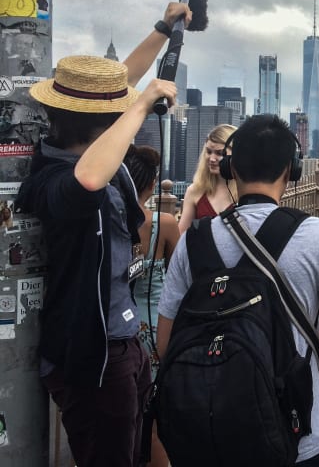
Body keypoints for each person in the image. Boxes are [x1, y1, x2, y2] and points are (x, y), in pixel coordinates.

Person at [16, 2, 189, 467]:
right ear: (103, 121)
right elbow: (88, 181)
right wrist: (141, 104)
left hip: (123, 338)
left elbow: (120, 84)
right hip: (91, 355)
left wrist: (162, 29)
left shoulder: (88, 151)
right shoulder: (55, 179)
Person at [157, 113, 319, 465]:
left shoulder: (193, 241)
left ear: (230, 169)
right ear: (292, 170)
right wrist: (313, 344)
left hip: (210, 438)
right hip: (301, 438)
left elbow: (166, 345)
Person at [124, 144, 180, 467]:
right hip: (159, 328)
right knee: (155, 418)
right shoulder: (165, 223)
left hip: (121, 329)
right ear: (152, 183)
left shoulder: (115, 222)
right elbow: (179, 277)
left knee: (126, 415)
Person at [178, 123, 238, 232]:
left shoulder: (246, 192)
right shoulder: (195, 190)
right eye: (209, 152)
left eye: (220, 153)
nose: (212, 158)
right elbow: (181, 237)